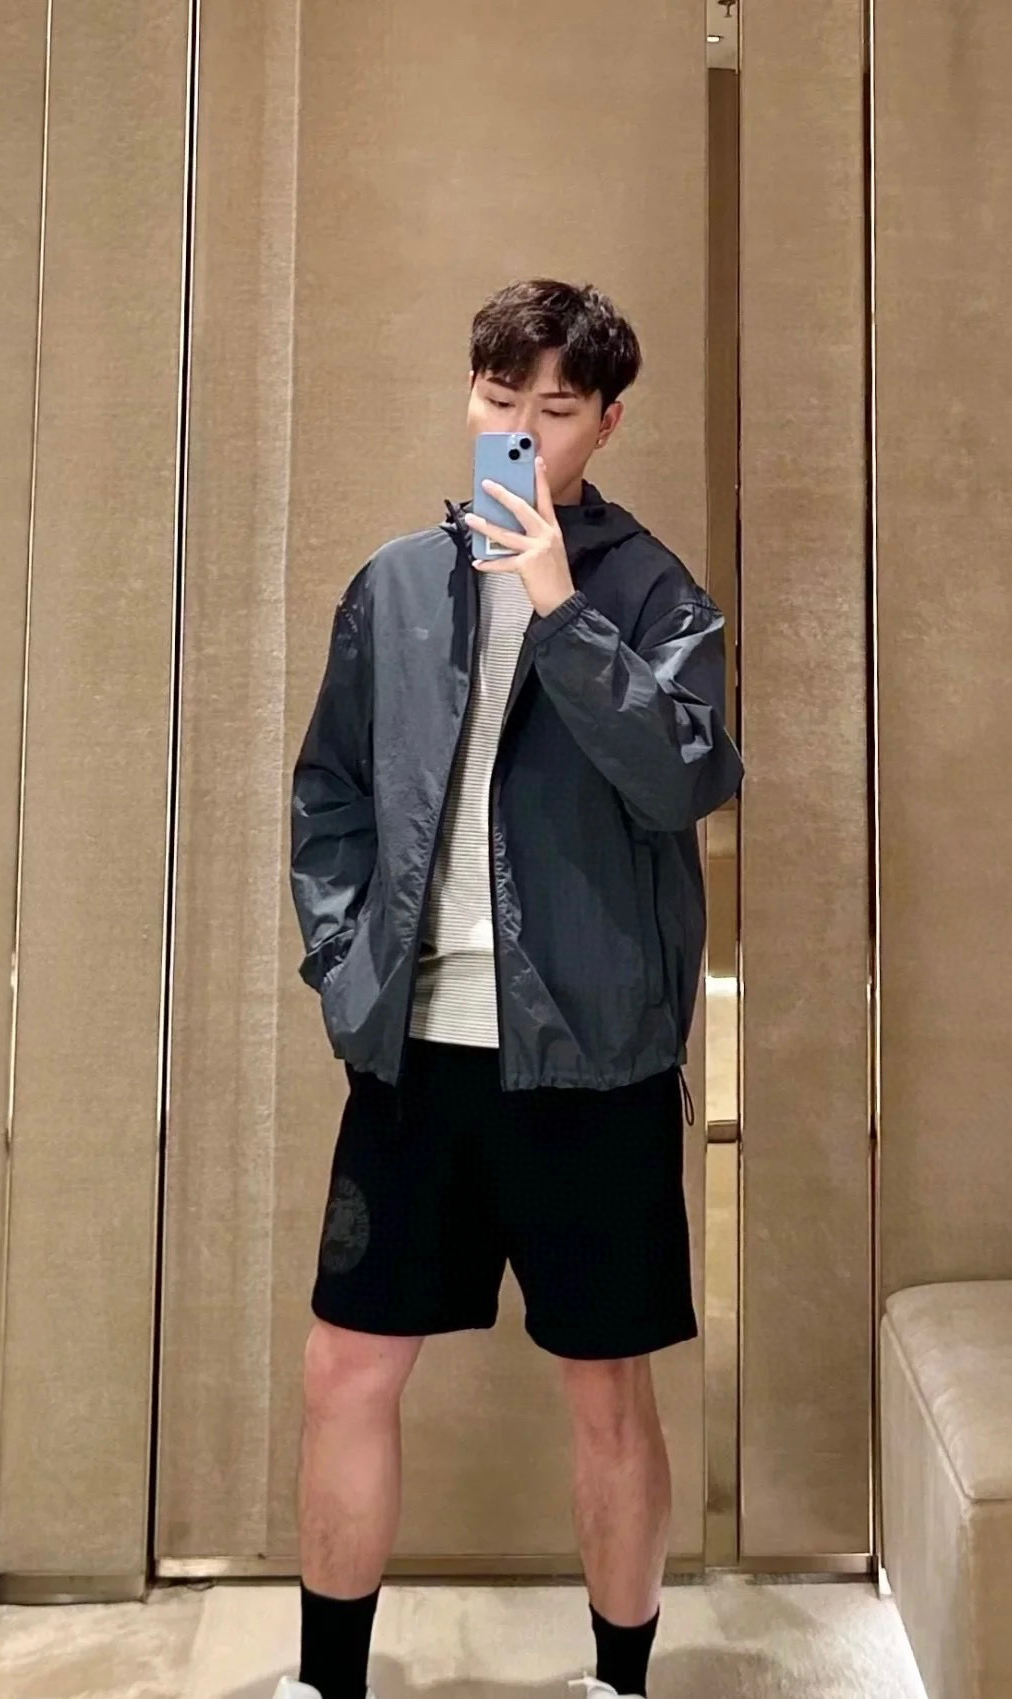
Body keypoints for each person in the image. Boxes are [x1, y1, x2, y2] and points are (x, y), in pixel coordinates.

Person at [279, 279, 744, 1699]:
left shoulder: (651, 592)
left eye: (556, 411)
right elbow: (330, 796)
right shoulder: (394, 587)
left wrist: (558, 607)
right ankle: (326, 1682)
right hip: (416, 1051)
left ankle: (619, 1682)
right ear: (468, 397)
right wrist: (347, 965)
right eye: (499, 401)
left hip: (588, 1059)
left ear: (608, 423)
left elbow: (684, 780)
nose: (524, 432)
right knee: (345, 1371)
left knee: (607, 1387)